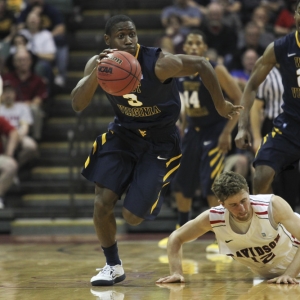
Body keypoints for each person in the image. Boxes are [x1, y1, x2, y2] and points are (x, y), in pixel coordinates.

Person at [70, 14, 243, 286]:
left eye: (132, 34)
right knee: (102, 202)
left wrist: (221, 104)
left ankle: (150, 185)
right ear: (108, 40)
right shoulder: (98, 63)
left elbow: (202, 64)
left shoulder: (159, 63)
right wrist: (98, 71)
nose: (128, 40)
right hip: (123, 135)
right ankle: (112, 265)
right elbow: (78, 104)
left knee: (132, 217)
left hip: (160, 141)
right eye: (121, 36)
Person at [157, 30, 242, 251]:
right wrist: (181, 128)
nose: (194, 47)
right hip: (192, 132)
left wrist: (227, 132)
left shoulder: (216, 68)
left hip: (215, 130)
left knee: (212, 185)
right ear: (184, 48)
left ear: (204, 48)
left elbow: (238, 99)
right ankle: (180, 232)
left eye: (198, 43)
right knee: (181, 183)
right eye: (190, 44)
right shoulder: (178, 71)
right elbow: (185, 104)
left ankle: (222, 238)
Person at [156, 171, 300, 284]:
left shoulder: (272, 206)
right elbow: (176, 237)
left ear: (248, 192)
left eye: (244, 200)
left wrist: (289, 275)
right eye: (234, 205)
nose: (242, 208)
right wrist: (176, 272)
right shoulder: (213, 218)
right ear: (222, 204)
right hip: (269, 275)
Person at [235, 0, 300, 195]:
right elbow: (252, 85)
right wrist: (242, 126)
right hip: (290, 125)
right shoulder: (280, 47)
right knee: (261, 175)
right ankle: (260, 224)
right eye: (299, 11)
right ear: (295, 16)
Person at [250, 66, 300, 211]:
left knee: (290, 177)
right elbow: (256, 107)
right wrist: (257, 136)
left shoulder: (295, 68)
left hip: (293, 127)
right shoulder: (267, 73)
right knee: (268, 174)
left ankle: (288, 217)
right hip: (271, 126)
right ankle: (268, 215)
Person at [2, 47, 48, 141]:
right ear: (14, 62)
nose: (23, 62)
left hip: (27, 109)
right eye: (19, 60)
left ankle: (35, 139)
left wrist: (24, 105)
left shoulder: (38, 80)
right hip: (8, 107)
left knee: (35, 109)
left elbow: (39, 100)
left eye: (25, 59)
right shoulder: (6, 78)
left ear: (30, 61)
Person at [0, 82, 39, 168]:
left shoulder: (22, 107)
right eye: (5, 92)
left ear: (14, 94)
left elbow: (25, 127)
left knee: (31, 147)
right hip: (2, 137)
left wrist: (17, 137)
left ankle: (13, 167)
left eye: (10, 92)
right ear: (1, 94)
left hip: (19, 134)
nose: (8, 95)